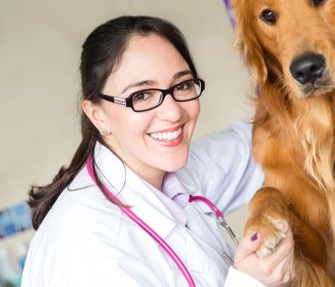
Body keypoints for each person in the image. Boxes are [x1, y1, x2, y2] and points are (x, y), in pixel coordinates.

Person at [21, 15, 295, 287]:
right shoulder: (87, 251)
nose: (173, 111)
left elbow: (267, 143)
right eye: (141, 95)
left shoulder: (168, 173)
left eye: (182, 85)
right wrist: (249, 283)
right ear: (97, 115)